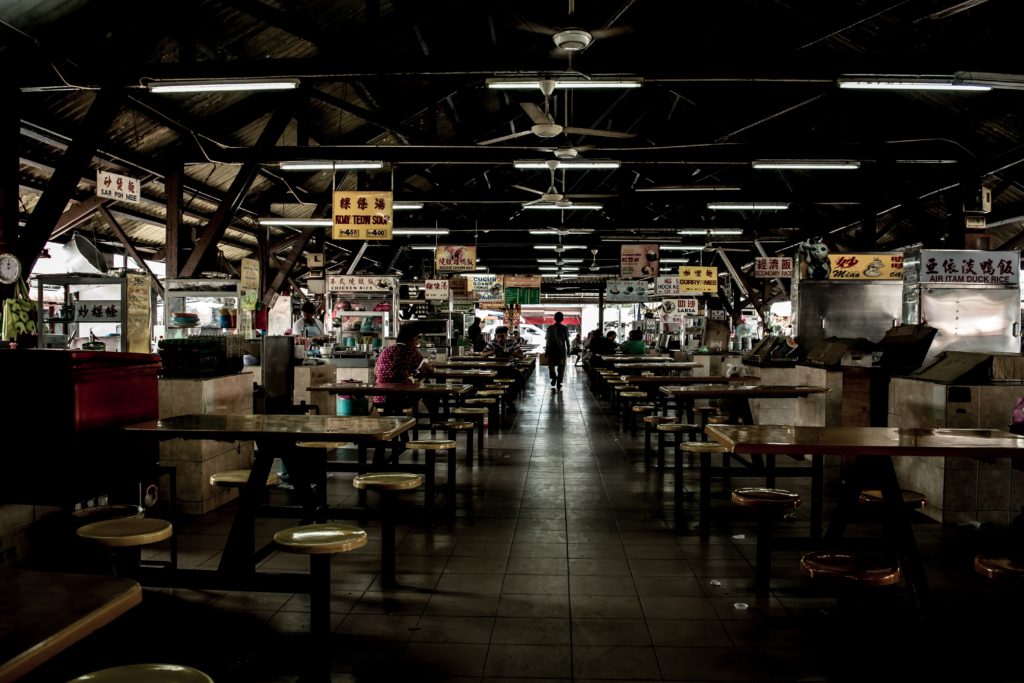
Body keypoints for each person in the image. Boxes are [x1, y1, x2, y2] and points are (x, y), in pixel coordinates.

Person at [372, 323, 435, 416]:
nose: (417, 343)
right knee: (427, 386)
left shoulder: (385, 350)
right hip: (402, 399)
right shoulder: (411, 351)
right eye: (416, 339)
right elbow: (428, 371)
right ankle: (434, 417)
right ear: (409, 339)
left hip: (379, 398)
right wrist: (430, 367)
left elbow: (375, 374)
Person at [544, 311, 571, 389]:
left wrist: (546, 350)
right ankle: (559, 381)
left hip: (551, 350)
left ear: (554, 318)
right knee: (561, 367)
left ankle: (554, 378)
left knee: (551, 366)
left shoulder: (550, 328)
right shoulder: (565, 328)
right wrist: (569, 350)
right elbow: (567, 340)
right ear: (562, 319)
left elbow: (547, 340)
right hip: (562, 351)